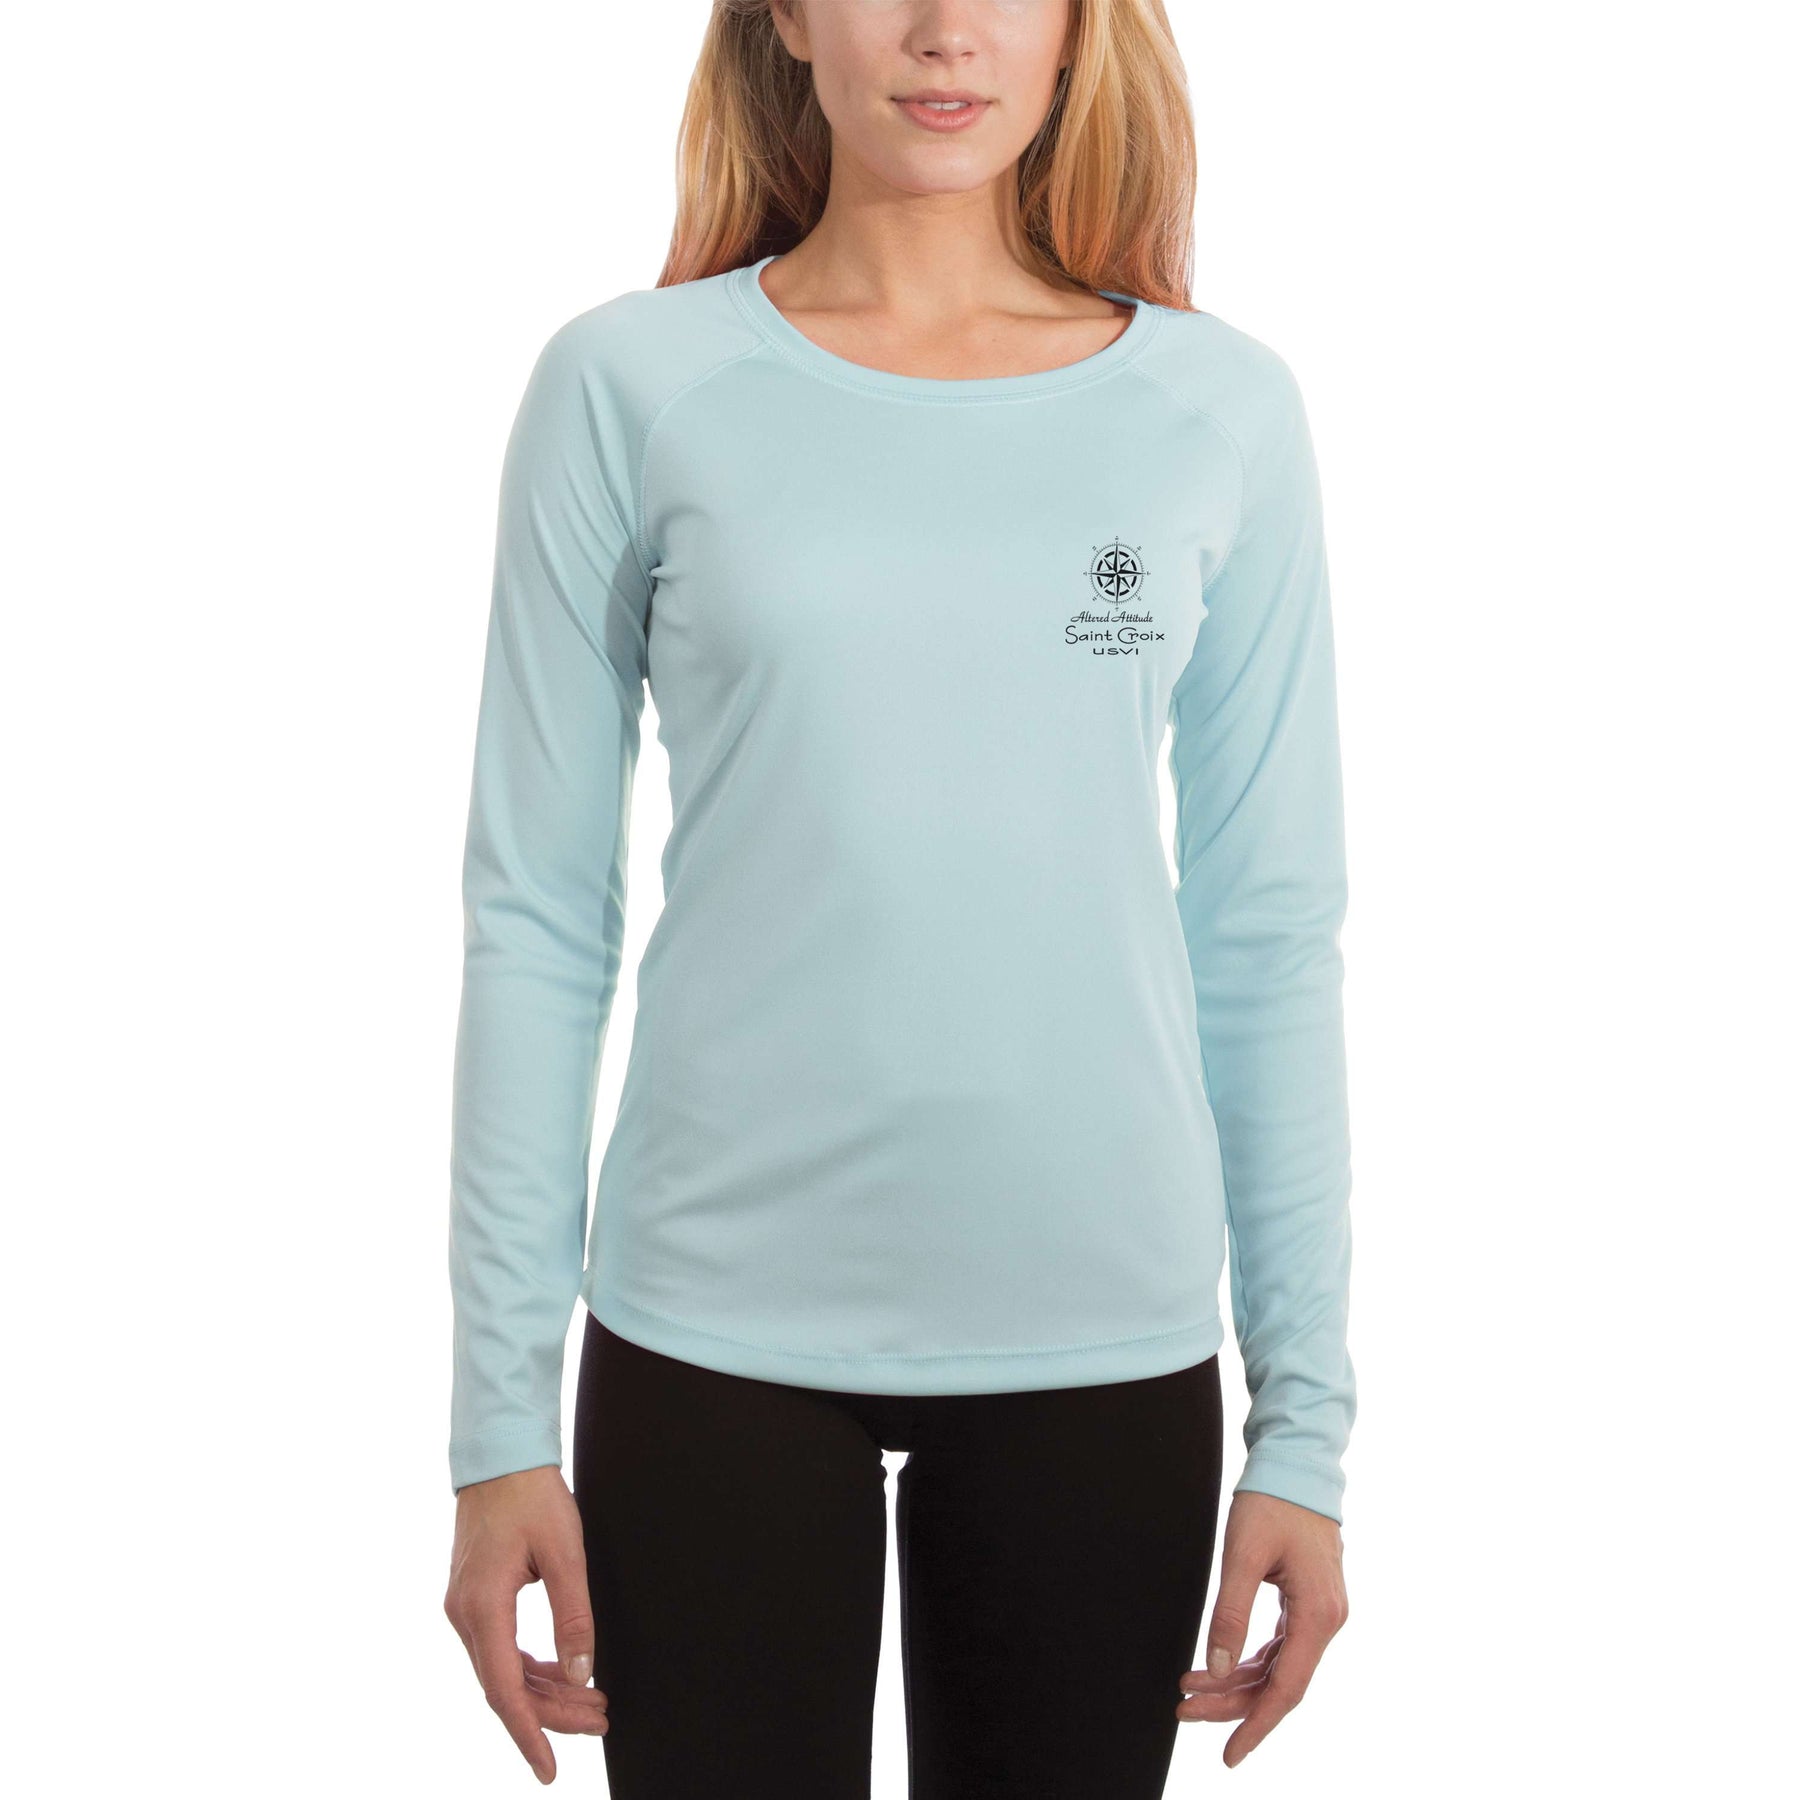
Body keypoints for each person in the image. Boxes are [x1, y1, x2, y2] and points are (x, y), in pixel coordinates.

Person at [441, 3, 1355, 1795]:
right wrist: (496, 1428)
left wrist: (1305, 1433)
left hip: (1101, 1326)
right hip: (709, 1329)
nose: (944, 34)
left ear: (1081, 27)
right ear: (786, 15)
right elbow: (537, 916)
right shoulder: (630, 385)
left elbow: (1268, 933)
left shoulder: (1217, 409)